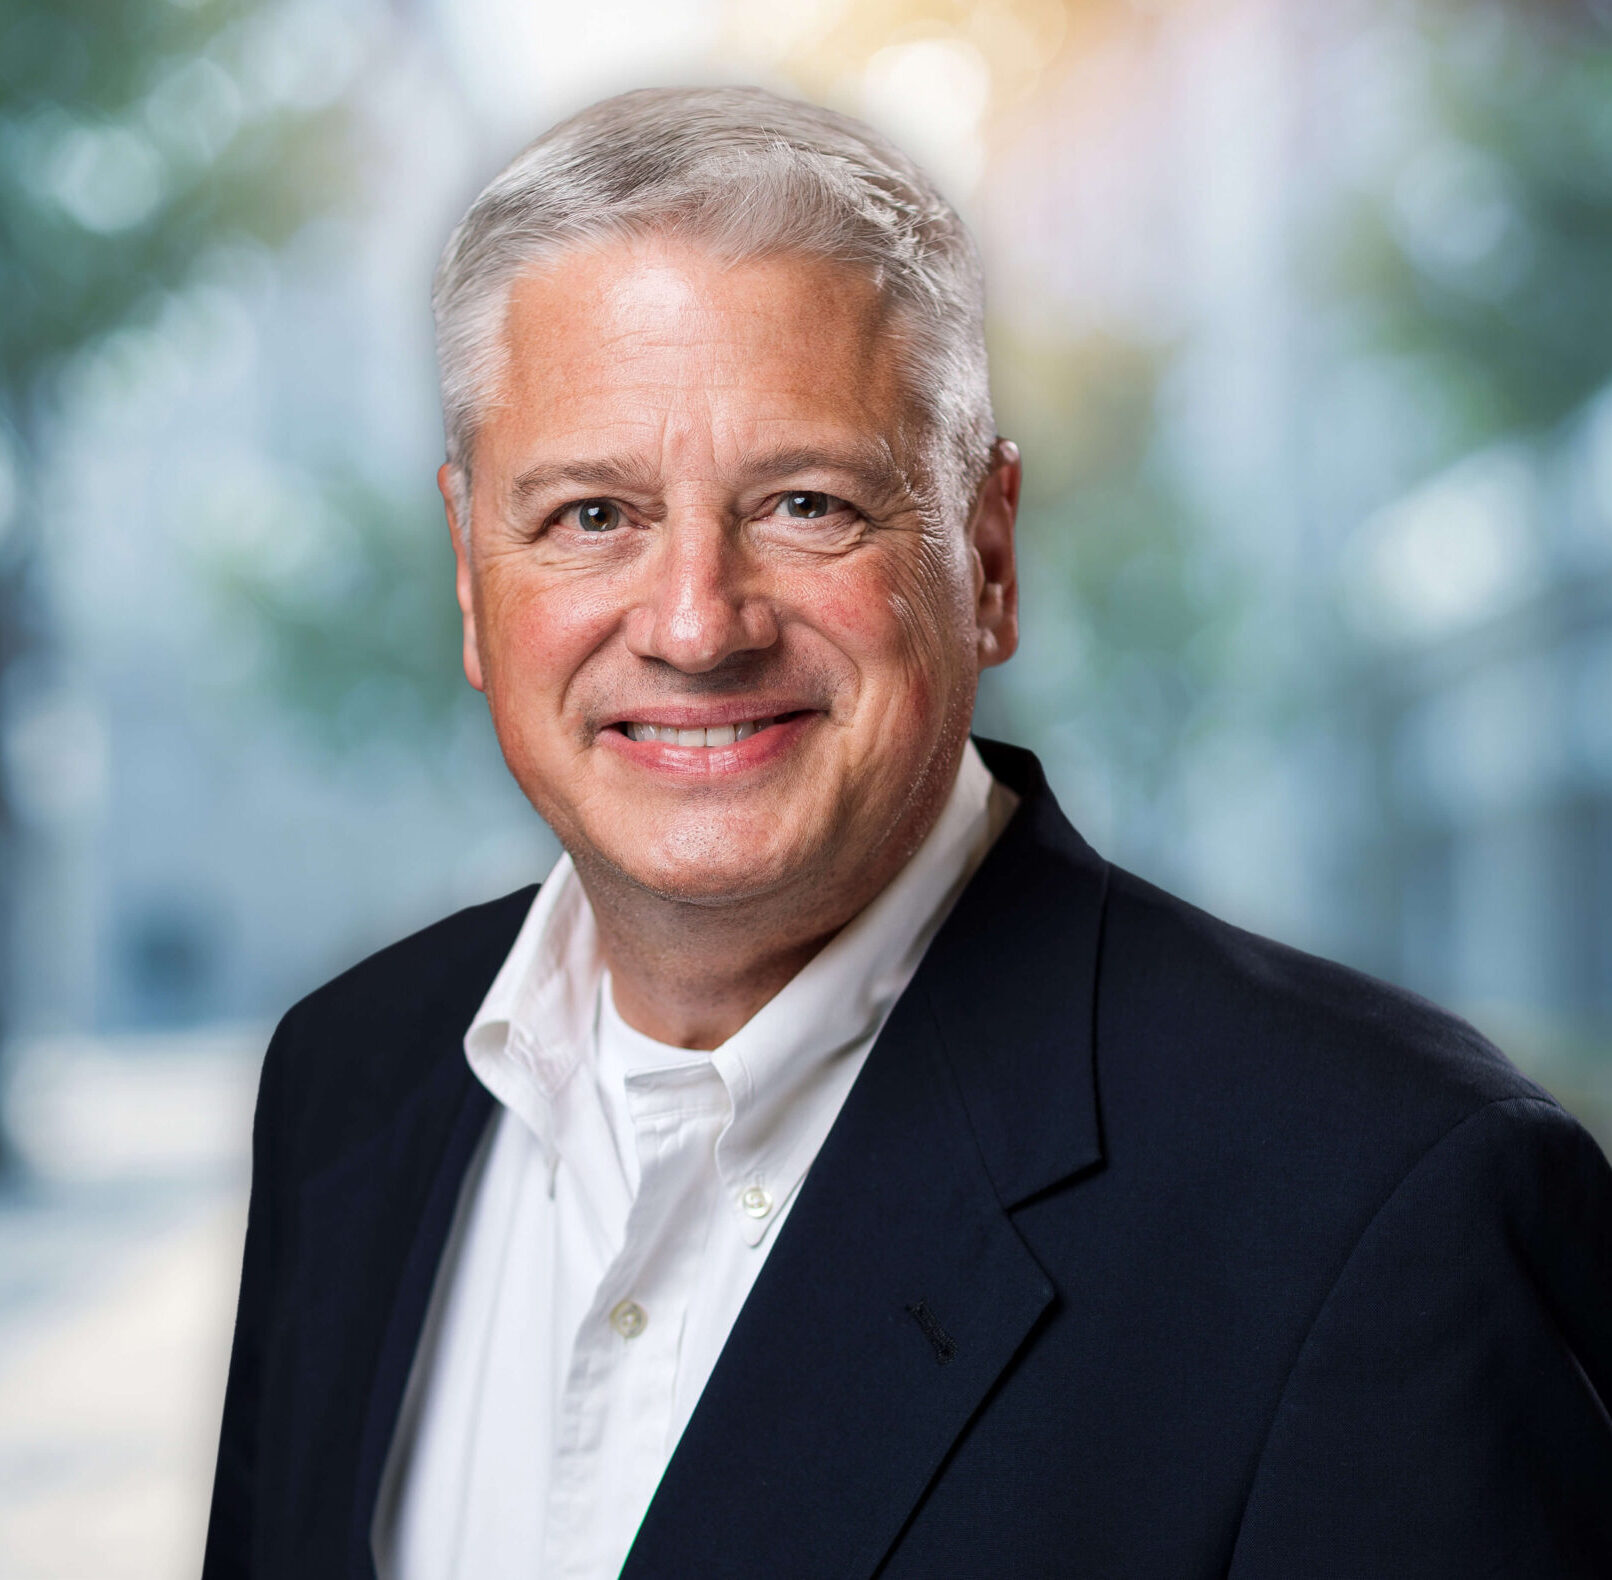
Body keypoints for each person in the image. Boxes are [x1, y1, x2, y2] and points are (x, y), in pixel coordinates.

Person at [203, 86, 1612, 1580]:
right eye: (593, 516)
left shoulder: (1388, 1205)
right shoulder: (345, 1082)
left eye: (807, 504)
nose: (695, 624)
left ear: (987, 554)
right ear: (471, 575)